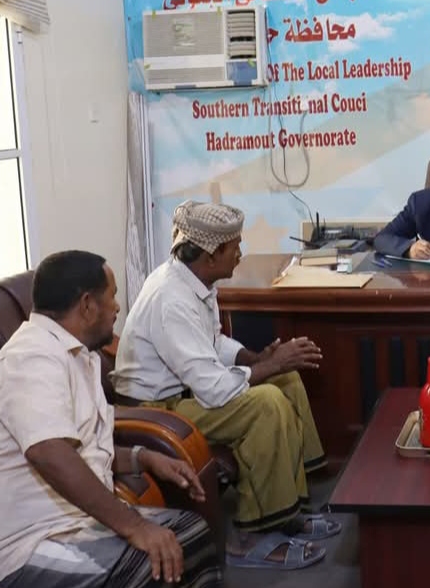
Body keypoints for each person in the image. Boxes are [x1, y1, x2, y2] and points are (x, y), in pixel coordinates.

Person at [0, 250, 222, 588]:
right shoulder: (31, 359)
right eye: (113, 297)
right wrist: (135, 527)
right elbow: (50, 454)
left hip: (65, 526)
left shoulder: (76, 356)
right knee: (149, 568)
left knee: (188, 534)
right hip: (11, 552)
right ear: (88, 305)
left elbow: (85, 450)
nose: (118, 307)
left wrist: (145, 458)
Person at [111, 200, 338, 570]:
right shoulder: (171, 299)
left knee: (287, 380)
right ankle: (253, 536)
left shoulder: (195, 280)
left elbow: (212, 343)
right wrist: (270, 364)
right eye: (235, 247)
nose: (240, 254)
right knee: (266, 403)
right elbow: (216, 389)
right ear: (212, 255)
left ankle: (289, 509)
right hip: (157, 411)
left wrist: (256, 358)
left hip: (186, 392)